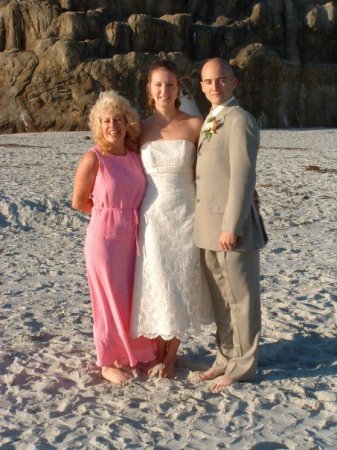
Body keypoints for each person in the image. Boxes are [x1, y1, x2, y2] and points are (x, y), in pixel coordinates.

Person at [130, 60, 212, 379]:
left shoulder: (194, 124)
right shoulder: (139, 127)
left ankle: (171, 355)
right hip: (152, 215)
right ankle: (157, 351)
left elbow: (214, 164)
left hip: (186, 212)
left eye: (170, 84)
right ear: (149, 90)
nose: (164, 90)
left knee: (180, 282)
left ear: (179, 88)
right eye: (158, 84)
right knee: (158, 280)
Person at [194, 58, 268, 392]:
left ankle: (243, 367)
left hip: (230, 229)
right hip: (206, 227)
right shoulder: (212, 118)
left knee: (242, 300)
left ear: (233, 82)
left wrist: (232, 224)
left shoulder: (240, 120)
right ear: (201, 85)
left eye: (221, 80)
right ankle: (224, 358)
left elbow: (243, 176)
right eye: (208, 81)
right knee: (222, 301)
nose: (214, 86)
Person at [72, 91, 155, 385]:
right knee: (107, 300)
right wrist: (109, 214)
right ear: (98, 124)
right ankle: (108, 360)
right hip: (104, 239)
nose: (112, 125)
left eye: (117, 119)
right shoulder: (93, 158)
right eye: (106, 120)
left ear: (127, 121)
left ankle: (139, 353)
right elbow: (79, 201)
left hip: (134, 237)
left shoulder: (135, 157)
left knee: (132, 296)